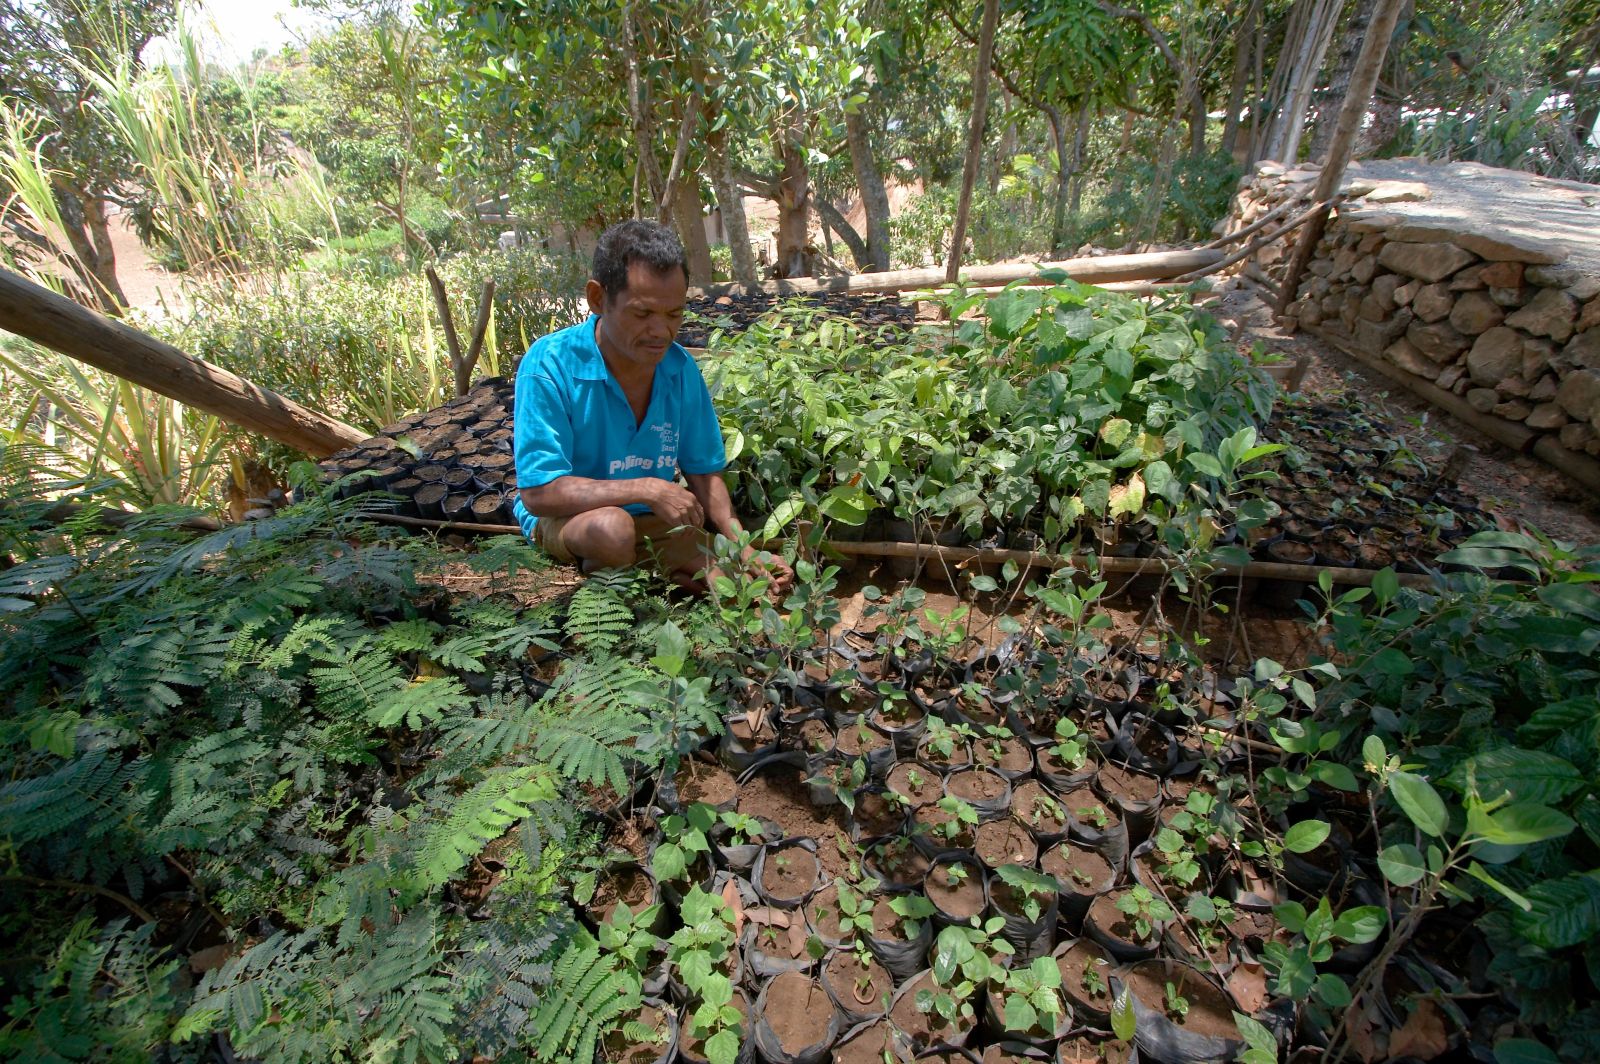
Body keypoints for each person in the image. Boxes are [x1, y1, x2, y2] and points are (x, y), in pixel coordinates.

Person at [513, 219, 793, 594]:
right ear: (598, 299)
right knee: (612, 531)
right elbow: (539, 493)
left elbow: (704, 474)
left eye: (674, 314)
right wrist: (646, 488)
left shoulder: (679, 371)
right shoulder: (550, 364)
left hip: (650, 518)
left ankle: (663, 569)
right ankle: (626, 580)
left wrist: (744, 548)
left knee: (739, 588)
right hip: (572, 520)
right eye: (643, 314)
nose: (661, 332)